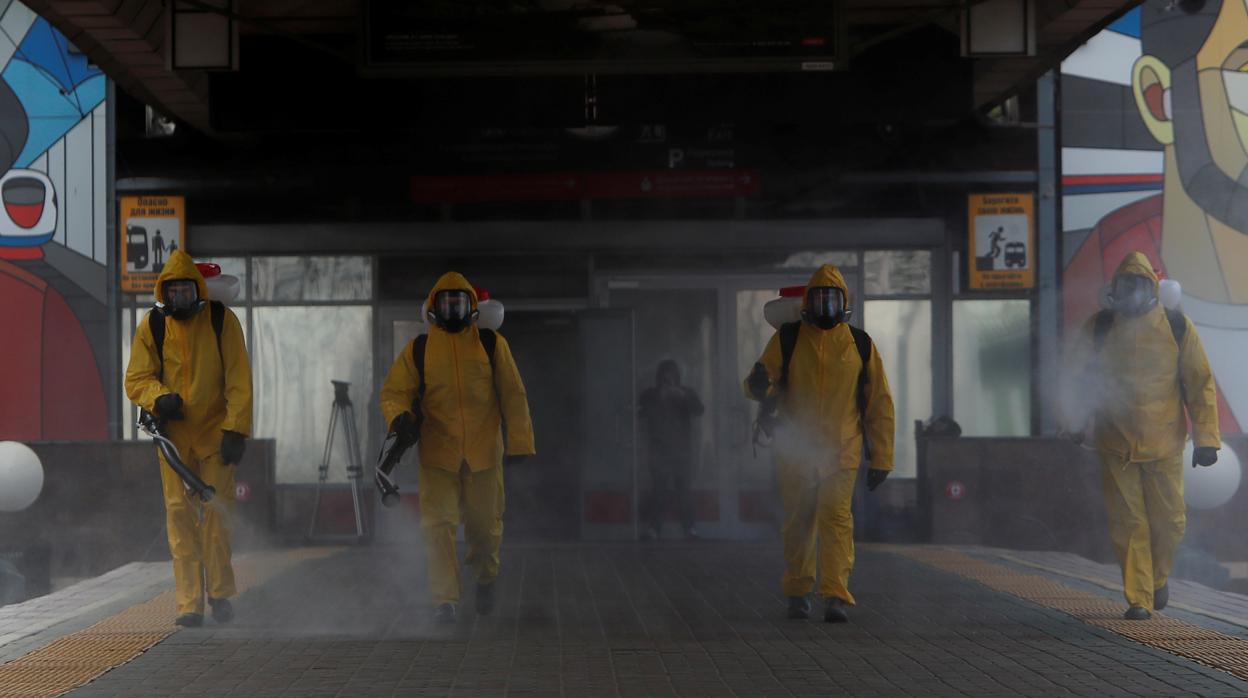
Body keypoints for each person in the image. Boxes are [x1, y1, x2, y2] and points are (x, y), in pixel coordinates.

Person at [1062, 251, 1220, 620]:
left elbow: (1200, 384)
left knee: (1170, 521)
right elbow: (1078, 377)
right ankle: (1139, 599)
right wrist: (1073, 418)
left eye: (1137, 284)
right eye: (1125, 284)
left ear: (1152, 287)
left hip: (1164, 442)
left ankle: (1158, 578)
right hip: (1115, 443)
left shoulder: (1177, 326)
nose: (1130, 291)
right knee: (1128, 522)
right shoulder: (1100, 327)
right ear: (1114, 289)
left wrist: (1207, 439)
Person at [380, 272, 535, 624]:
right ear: (434, 308)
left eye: (459, 303)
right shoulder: (419, 349)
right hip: (438, 454)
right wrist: (398, 418)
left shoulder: (491, 345)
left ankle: (486, 577)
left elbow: (513, 394)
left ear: (472, 306)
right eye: (446, 303)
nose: (453, 310)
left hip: (483, 454)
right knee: (438, 526)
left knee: (484, 527)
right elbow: (394, 392)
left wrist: (521, 441)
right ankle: (445, 600)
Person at [744, 264, 895, 624]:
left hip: (842, 450)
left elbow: (879, 403)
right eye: (820, 298)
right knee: (799, 521)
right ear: (807, 303)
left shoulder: (860, 344)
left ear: (843, 303)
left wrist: (882, 457)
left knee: (836, 519)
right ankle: (798, 592)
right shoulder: (788, 339)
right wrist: (759, 382)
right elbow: (758, 385)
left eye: (832, 298)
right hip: (797, 449)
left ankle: (835, 596)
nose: (826, 306)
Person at [125, 250, 252, 627]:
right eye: (173, 292)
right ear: (164, 293)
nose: (179, 298)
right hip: (174, 439)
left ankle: (222, 594)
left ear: (197, 290)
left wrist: (236, 429)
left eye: (185, 291)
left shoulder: (220, 320)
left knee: (217, 514)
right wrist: (158, 398)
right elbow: (136, 378)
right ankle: (188, 604)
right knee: (179, 516)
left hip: (215, 435)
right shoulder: (153, 326)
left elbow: (239, 380)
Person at [639, 360, 705, 541]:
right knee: (659, 490)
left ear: (677, 377)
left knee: (684, 490)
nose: (667, 380)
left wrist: (682, 396)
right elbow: (640, 410)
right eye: (664, 376)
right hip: (659, 449)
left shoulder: (685, 393)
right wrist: (659, 397)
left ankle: (690, 528)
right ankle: (654, 529)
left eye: (671, 375)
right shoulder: (651, 394)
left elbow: (699, 409)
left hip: (681, 450)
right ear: (659, 377)